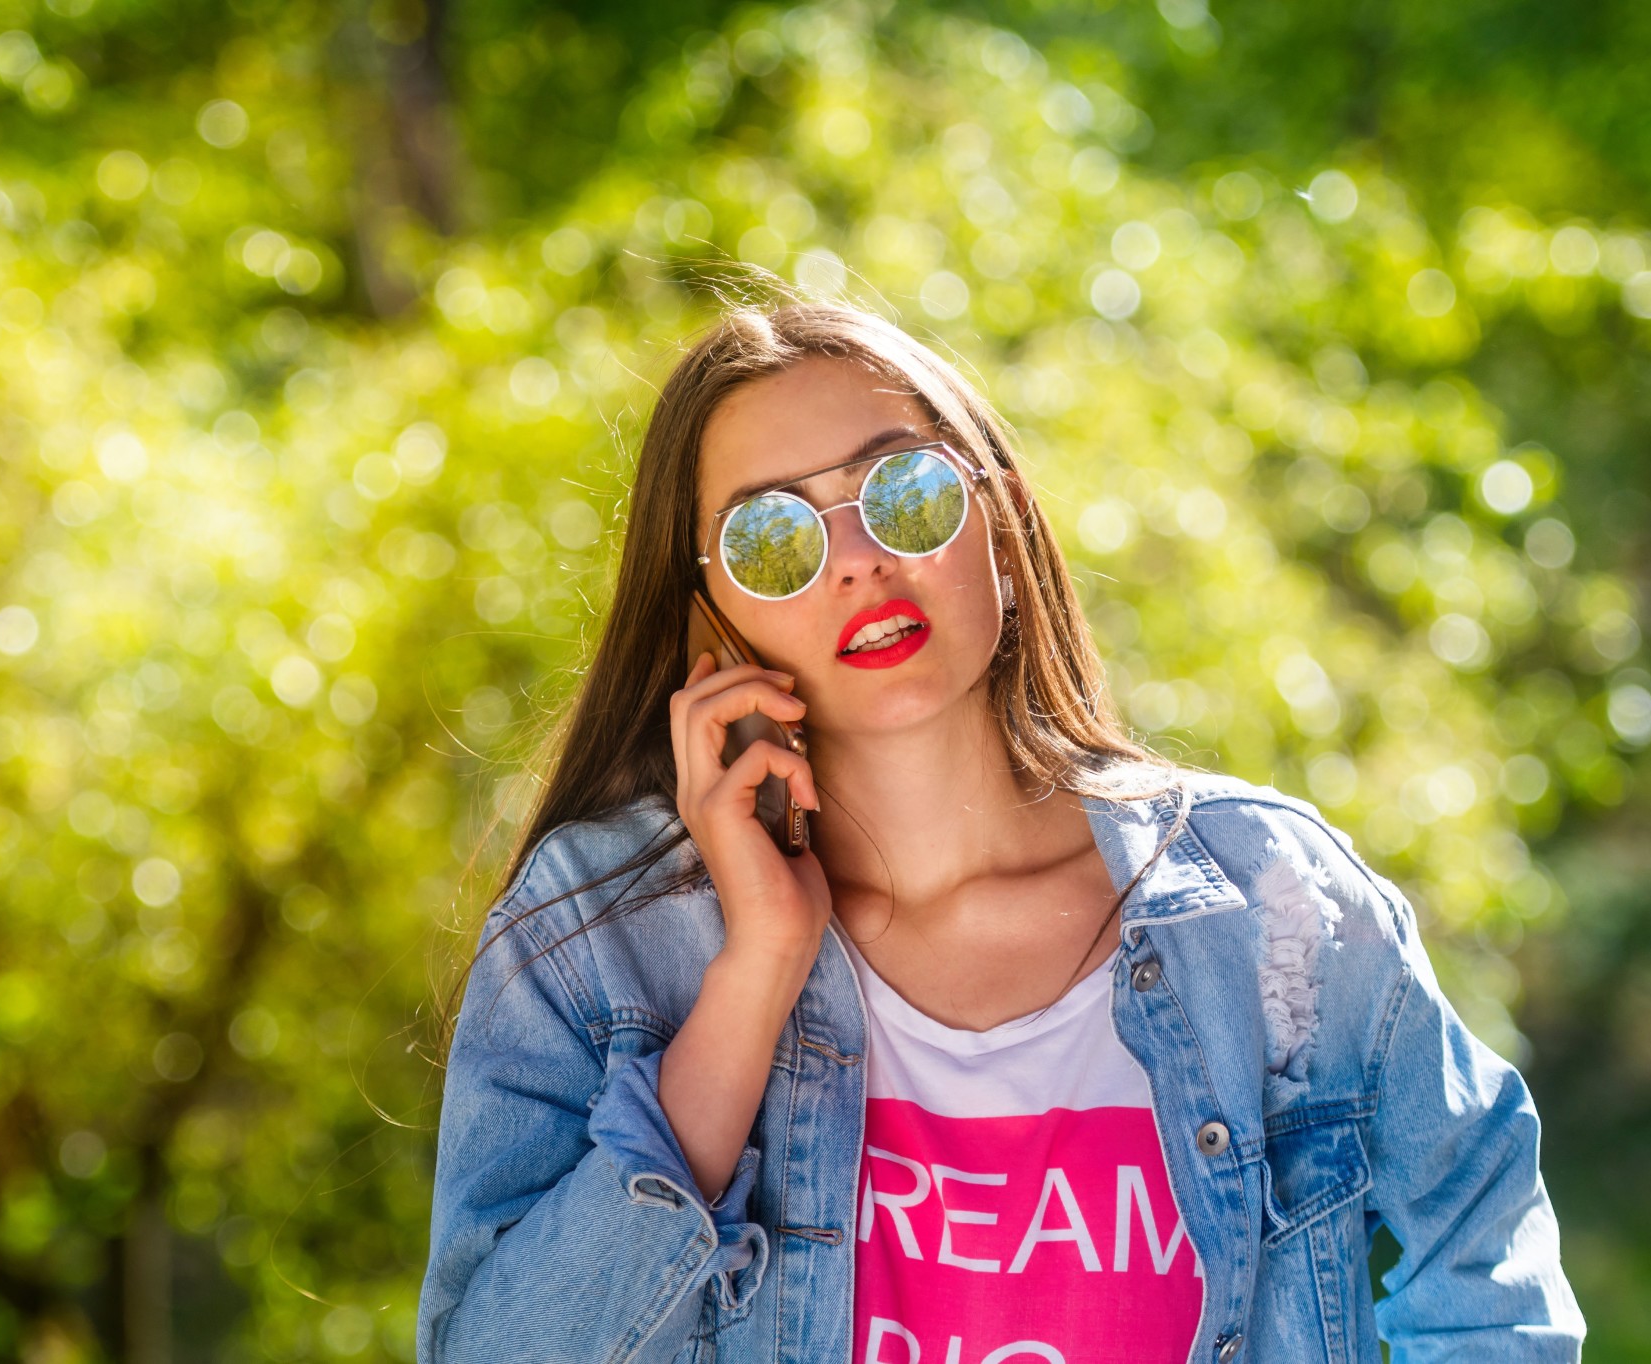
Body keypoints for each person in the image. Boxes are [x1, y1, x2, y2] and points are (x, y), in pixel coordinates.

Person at [416, 302, 1583, 1363]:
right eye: (776, 539)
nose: (861, 560)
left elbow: (1490, 1265)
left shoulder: (1269, 900)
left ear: (1006, 532)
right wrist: (753, 974)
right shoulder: (598, 940)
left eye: (903, 493)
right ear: (711, 615)